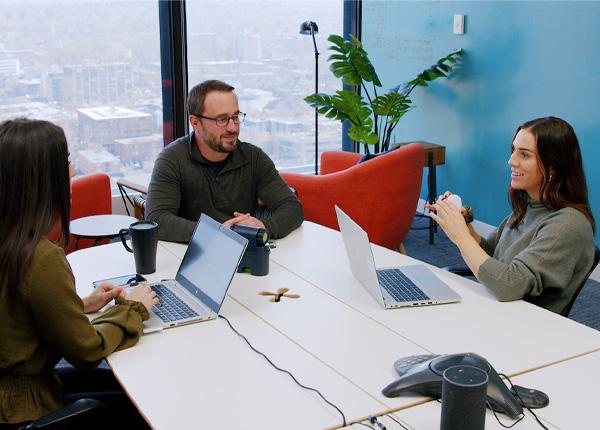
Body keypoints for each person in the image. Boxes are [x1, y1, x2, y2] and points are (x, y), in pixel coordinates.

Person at [0, 118, 159, 429]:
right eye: (66, 162)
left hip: (14, 392)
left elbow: (16, 314)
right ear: (41, 178)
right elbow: (87, 350)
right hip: (23, 410)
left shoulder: (9, 242)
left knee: (114, 384)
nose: (72, 173)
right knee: (143, 406)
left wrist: (78, 306)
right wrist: (134, 310)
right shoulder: (40, 259)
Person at [427, 116, 595, 315]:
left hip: (522, 327)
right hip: (496, 309)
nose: (511, 160)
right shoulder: (530, 206)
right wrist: (463, 226)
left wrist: (461, 237)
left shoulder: (568, 224)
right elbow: (491, 254)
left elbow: (508, 285)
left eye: (524, 155)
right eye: (514, 150)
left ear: (552, 168)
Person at [145, 79, 304, 242]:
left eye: (235, 117)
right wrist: (216, 232)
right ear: (195, 122)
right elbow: (156, 219)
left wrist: (263, 227)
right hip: (190, 256)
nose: (233, 128)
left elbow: (292, 208)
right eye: (221, 119)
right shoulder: (173, 159)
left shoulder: (253, 157)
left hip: (245, 254)